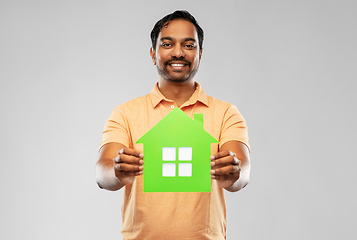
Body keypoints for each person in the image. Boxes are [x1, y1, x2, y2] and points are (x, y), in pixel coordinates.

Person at [96, 10, 251, 240]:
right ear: (153, 53)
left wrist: (235, 174)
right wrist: (116, 171)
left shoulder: (226, 113)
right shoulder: (126, 114)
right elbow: (102, 171)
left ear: (200, 53)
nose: (178, 53)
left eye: (189, 45)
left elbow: (243, 169)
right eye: (167, 44)